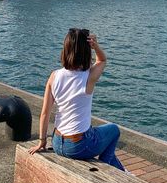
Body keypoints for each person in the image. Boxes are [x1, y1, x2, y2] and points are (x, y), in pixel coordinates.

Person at [29, 28, 125, 171]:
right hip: (78, 146)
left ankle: (118, 168)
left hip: (57, 142)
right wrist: (96, 46)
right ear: (87, 52)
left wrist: (42, 141)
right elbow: (103, 60)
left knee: (96, 132)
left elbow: (44, 113)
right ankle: (109, 165)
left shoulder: (54, 76)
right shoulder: (89, 76)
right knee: (114, 130)